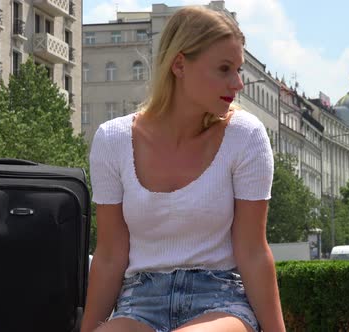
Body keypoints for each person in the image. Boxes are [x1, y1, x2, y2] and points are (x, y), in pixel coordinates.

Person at [81, 6, 285, 332]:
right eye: (224, 69)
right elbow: (109, 255)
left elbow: (253, 252)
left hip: (220, 302)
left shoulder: (246, 136)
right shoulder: (112, 140)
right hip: (139, 304)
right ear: (179, 65)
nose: (238, 83)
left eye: (239, 69)